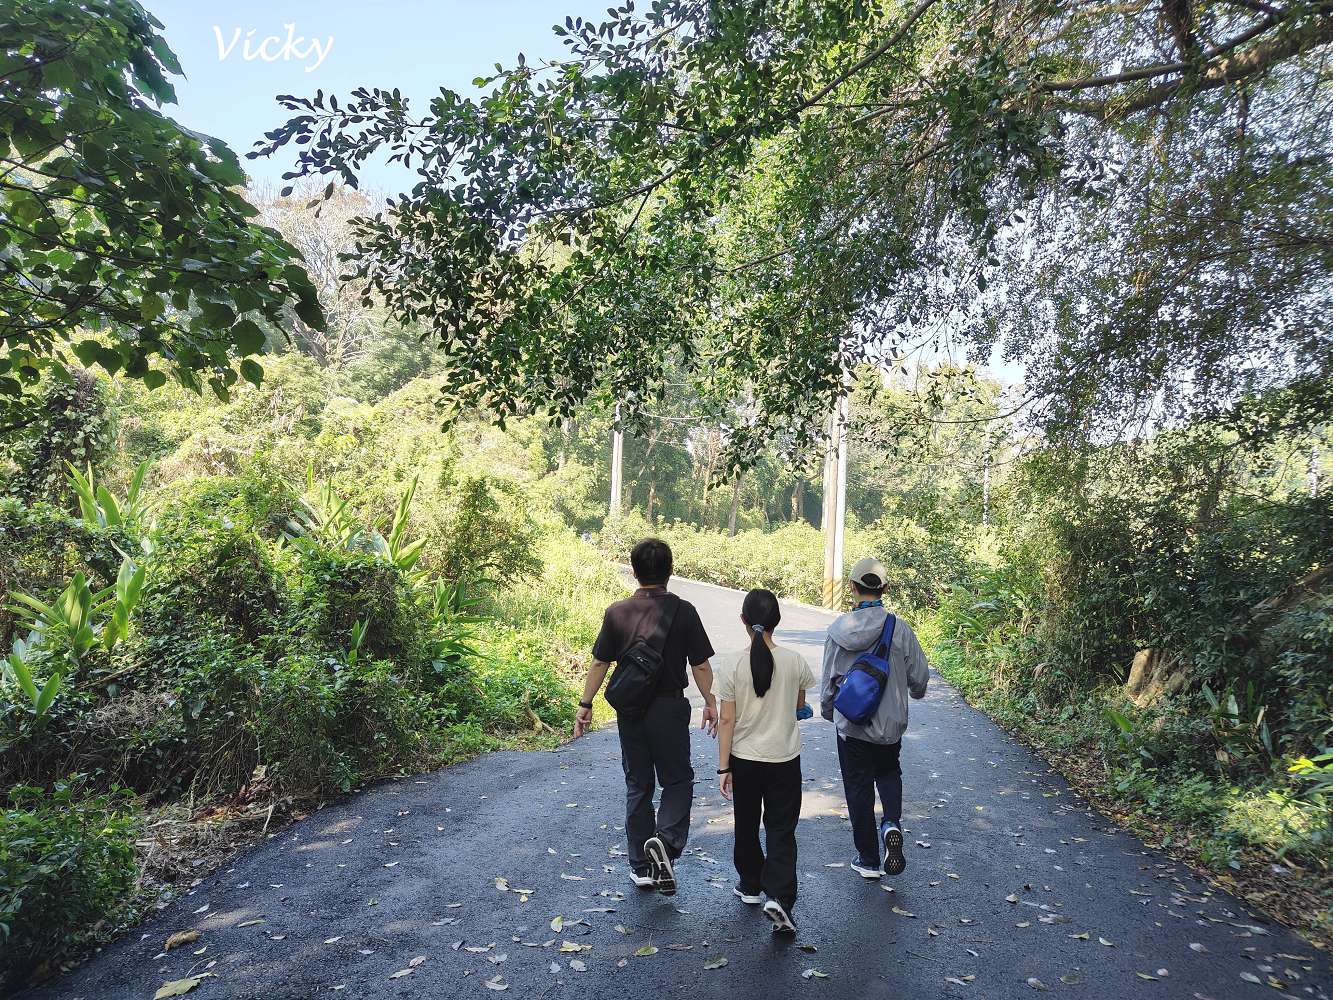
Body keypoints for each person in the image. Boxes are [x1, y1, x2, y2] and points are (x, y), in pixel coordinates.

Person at [572, 538, 718, 896]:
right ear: (670, 571)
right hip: (669, 708)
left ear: (634, 572)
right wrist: (710, 701)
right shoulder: (684, 611)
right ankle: (666, 845)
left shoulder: (617, 612)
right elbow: (700, 664)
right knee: (678, 780)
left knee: (638, 784)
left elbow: (599, 663)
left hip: (631, 709)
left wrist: (586, 704)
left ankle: (641, 865)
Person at [820, 557, 930, 879]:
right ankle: (891, 824)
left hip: (852, 726)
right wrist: (915, 693)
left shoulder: (837, 631)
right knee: (888, 772)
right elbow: (920, 678)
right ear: (885, 588)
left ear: (852, 588)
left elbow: (828, 683)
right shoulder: (899, 628)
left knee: (858, 786)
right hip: (889, 728)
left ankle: (867, 859)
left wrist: (831, 714)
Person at [716, 588, 816, 934]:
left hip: (744, 760)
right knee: (781, 829)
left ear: (743, 621)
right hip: (785, 758)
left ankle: (749, 884)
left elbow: (726, 721)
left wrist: (723, 767)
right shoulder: (795, 662)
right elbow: (799, 707)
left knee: (746, 823)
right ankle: (780, 898)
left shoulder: (730, 665)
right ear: (777, 621)